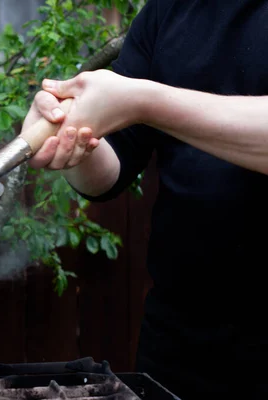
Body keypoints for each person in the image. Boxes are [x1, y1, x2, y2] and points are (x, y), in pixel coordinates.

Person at [21, 1, 268, 399]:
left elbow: (136, 103)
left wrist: (143, 101)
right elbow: (112, 162)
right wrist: (68, 138)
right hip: (179, 339)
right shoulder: (168, 10)